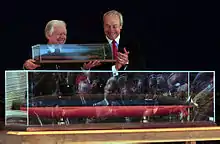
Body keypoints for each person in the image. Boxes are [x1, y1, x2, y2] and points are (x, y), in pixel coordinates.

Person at [23, 20, 100, 70]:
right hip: (43, 94)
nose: (63, 37)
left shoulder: (71, 55)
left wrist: (85, 68)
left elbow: (75, 77)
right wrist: (26, 67)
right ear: (48, 35)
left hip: (67, 95)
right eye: (59, 34)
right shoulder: (36, 52)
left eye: (64, 34)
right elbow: (28, 73)